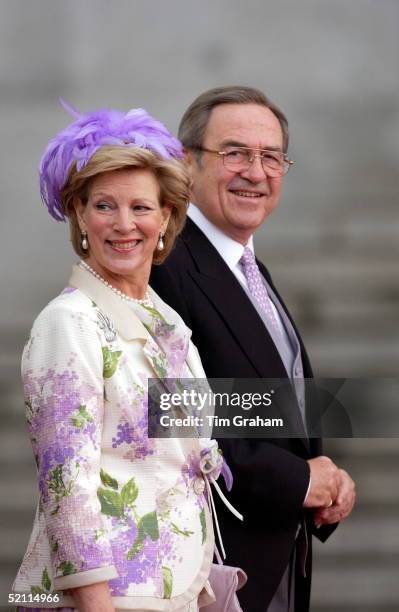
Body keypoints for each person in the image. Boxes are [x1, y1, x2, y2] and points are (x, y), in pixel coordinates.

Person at [12, 104, 227, 612]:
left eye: (141, 207)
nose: (124, 224)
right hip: (110, 600)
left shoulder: (168, 322)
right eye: (104, 206)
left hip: (178, 590)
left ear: (167, 217)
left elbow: (183, 456)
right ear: (80, 215)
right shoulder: (70, 323)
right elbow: (68, 487)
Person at [150, 86, 356, 612]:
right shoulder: (166, 267)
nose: (256, 171)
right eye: (235, 153)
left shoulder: (249, 268)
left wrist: (324, 475)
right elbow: (166, 413)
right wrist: (297, 479)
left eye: (271, 157)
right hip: (208, 566)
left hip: (274, 555)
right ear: (185, 161)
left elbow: (267, 401)